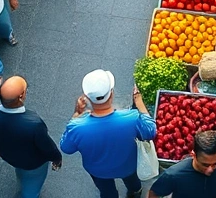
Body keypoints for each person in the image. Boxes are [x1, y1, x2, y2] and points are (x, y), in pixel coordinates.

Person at [60, 70, 156, 198]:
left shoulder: (76, 127)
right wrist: (139, 102)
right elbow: (151, 130)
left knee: (106, 191)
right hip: (127, 165)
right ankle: (135, 192)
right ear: (111, 94)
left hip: (98, 170)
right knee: (132, 182)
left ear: (86, 98)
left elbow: (66, 148)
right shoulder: (131, 118)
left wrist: (76, 114)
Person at [0, 76, 63, 198]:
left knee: (20, 173)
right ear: (21, 97)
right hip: (33, 163)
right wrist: (57, 159)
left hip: (8, 155)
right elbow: (47, 147)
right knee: (31, 189)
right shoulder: (34, 124)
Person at [148, 130, 216, 198]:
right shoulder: (174, 175)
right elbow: (154, 193)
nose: (210, 169)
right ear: (193, 155)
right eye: (205, 165)